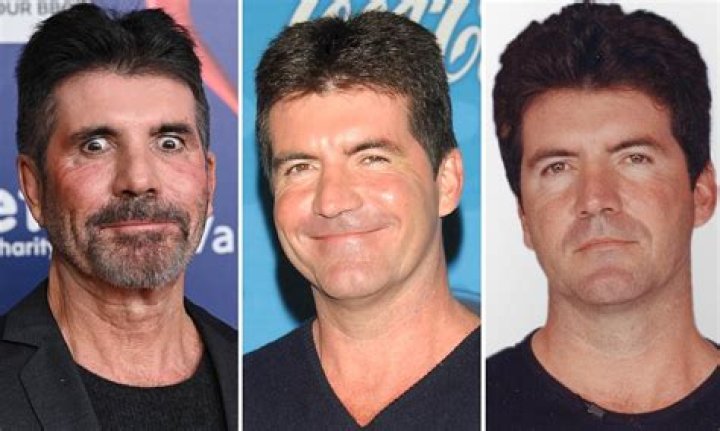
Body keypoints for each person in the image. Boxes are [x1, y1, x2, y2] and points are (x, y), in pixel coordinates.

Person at [0, 4, 237, 429]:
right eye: (96, 146)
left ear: (209, 178)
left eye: (169, 143)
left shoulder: (259, 380)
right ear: (33, 187)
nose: (139, 180)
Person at [243, 11, 480, 430]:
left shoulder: (518, 398)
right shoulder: (236, 401)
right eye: (300, 168)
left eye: (372, 159)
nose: (332, 201)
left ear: (447, 181)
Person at [487, 2, 719, 429]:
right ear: (523, 217)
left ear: (702, 193)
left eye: (634, 158)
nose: (595, 198)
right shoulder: (474, 409)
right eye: (558, 167)